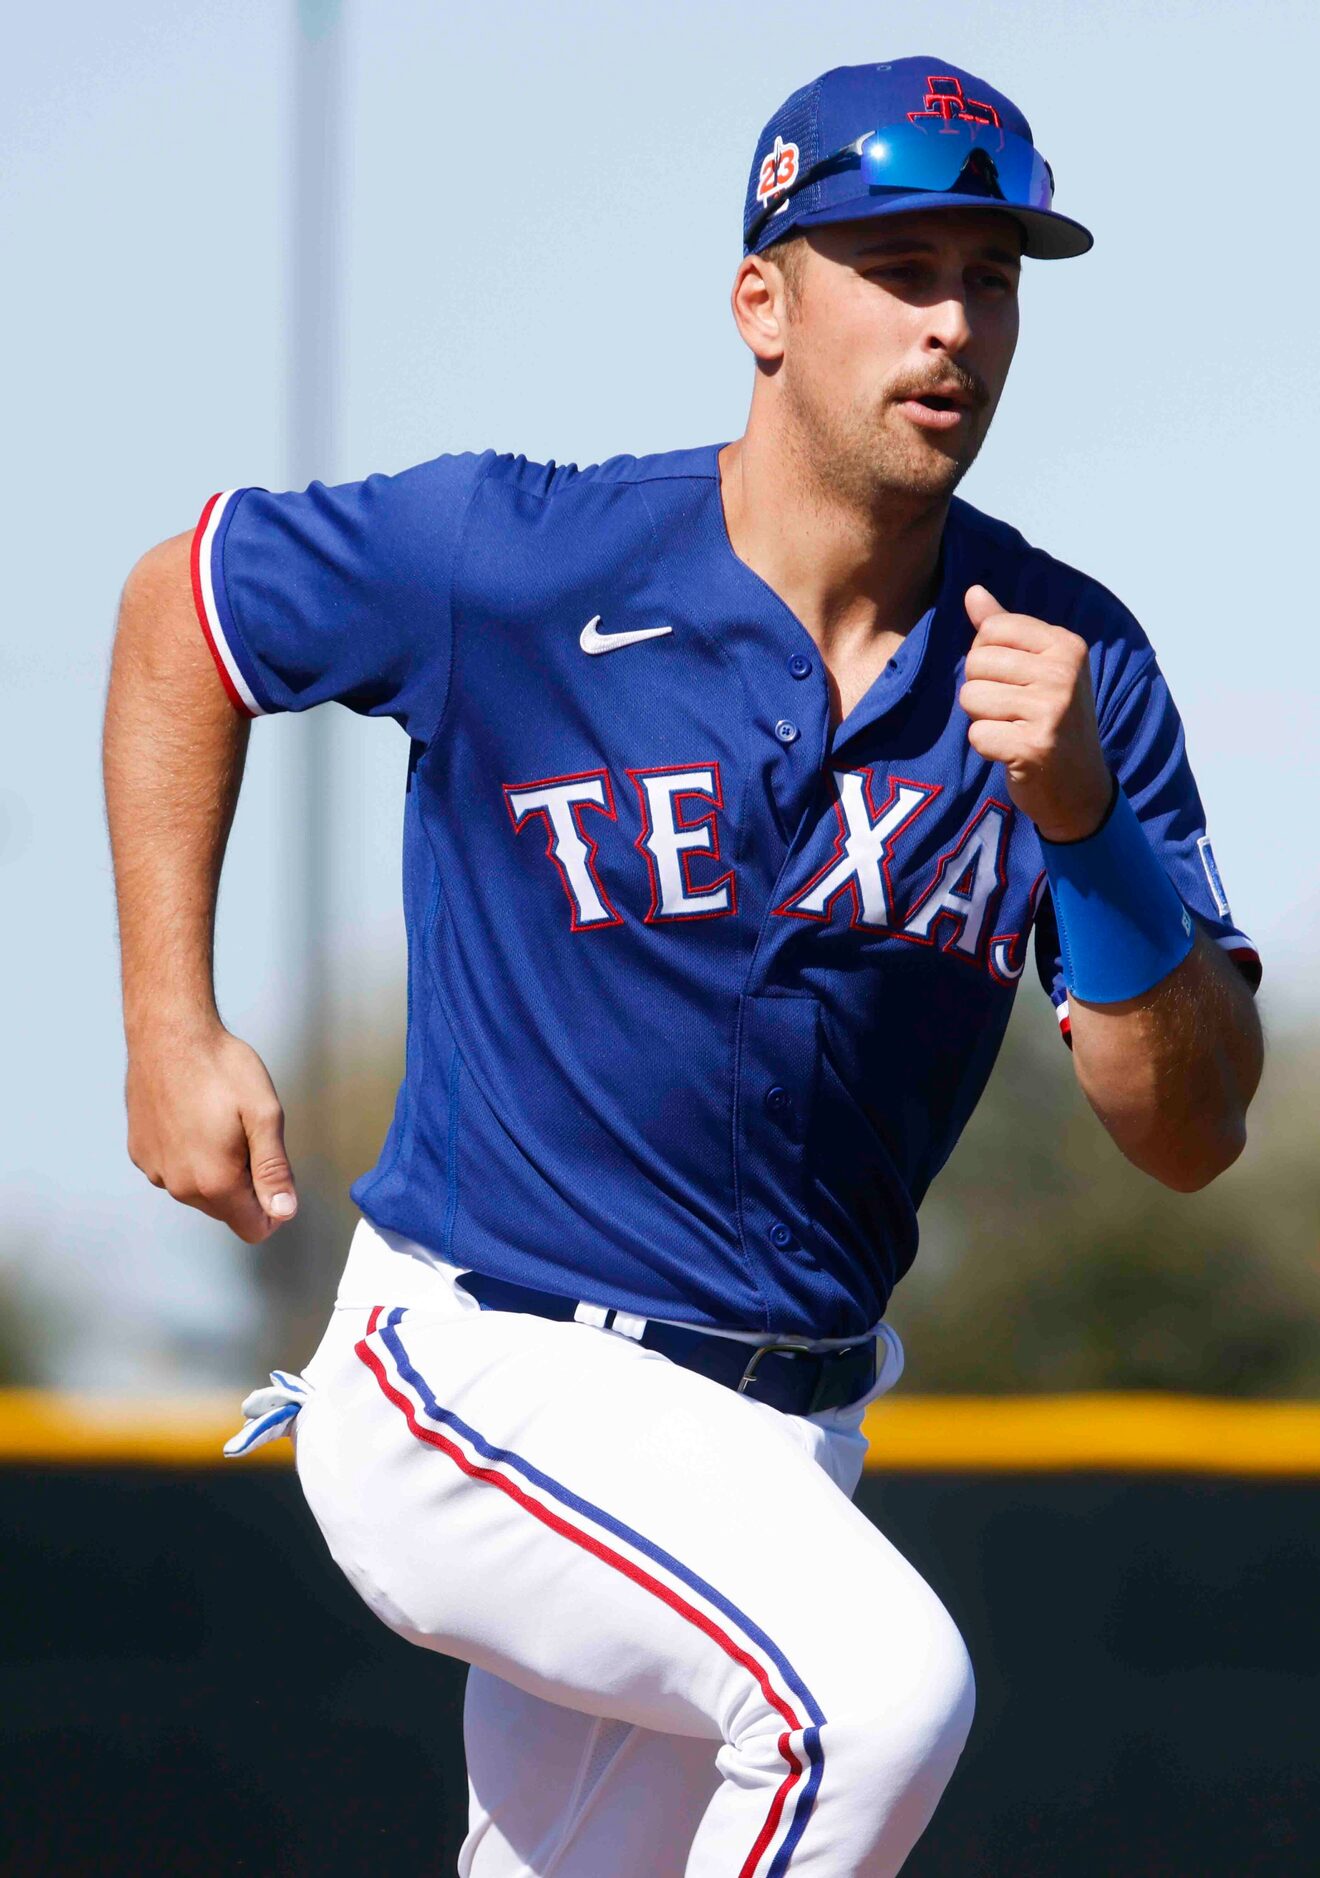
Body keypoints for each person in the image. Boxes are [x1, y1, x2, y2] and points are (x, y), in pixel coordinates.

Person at [103, 54, 1263, 1877]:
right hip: (478, 1370)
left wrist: (1089, 827)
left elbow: (1185, 1126)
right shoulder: (524, 555)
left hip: (783, 1447)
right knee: (873, 1698)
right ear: (764, 304)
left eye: (991, 272)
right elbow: (188, 606)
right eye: (896, 263)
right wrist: (169, 1016)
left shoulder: (1073, 666)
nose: (951, 320)